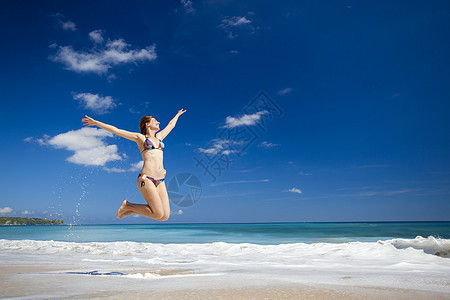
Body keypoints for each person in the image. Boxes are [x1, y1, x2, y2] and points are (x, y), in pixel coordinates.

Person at [82, 109, 186, 221]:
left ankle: (130, 210)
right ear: (147, 124)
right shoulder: (140, 138)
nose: (158, 122)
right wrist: (96, 122)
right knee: (157, 214)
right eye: (155, 121)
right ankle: (127, 206)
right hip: (146, 179)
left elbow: (171, 125)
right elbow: (116, 130)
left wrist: (178, 115)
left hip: (161, 180)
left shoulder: (160, 137)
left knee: (164, 216)